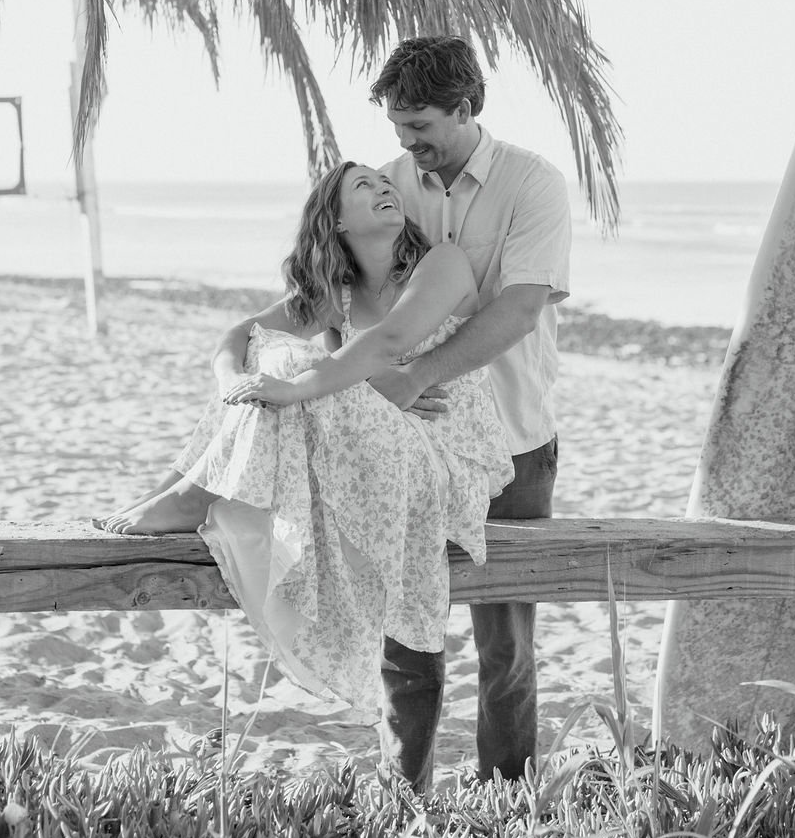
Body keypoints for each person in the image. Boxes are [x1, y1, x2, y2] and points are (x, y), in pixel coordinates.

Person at [99, 160, 513, 725]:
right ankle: (184, 492)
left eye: (385, 182)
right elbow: (239, 336)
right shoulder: (336, 295)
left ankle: (189, 496)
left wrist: (290, 386)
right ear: (338, 223)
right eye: (363, 187)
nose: (384, 188)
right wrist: (233, 384)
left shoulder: (442, 263)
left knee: (293, 368)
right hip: (383, 443)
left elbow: (388, 342)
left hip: (442, 454)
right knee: (277, 357)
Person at [366, 35, 572, 789]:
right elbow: (352, 301)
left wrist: (417, 373)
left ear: (466, 107)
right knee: (406, 645)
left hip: (516, 446)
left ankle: (506, 804)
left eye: (420, 127)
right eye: (397, 128)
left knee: (507, 651)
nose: (408, 145)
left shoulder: (533, 184)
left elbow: (518, 309)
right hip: (411, 451)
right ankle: (403, 799)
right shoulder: (385, 185)